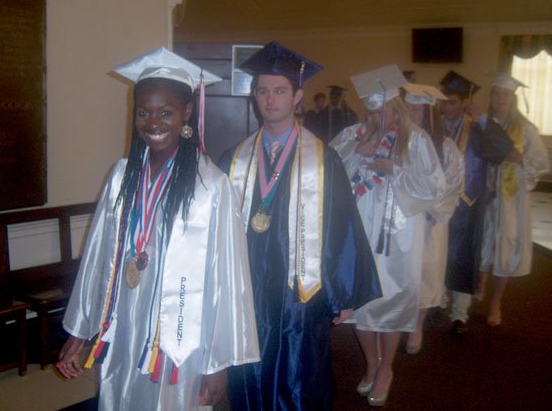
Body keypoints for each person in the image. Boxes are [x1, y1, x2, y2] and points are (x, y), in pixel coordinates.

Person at [55, 47, 260, 411]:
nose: (153, 123)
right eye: (143, 112)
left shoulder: (212, 187)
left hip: (181, 334)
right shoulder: (122, 176)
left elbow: (228, 280)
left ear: (187, 111)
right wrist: (80, 329)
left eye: (165, 112)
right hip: (126, 326)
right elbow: (98, 258)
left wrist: (219, 363)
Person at [219, 41, 381, 410]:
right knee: (248, 370)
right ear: (254, 97)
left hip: (300, 292)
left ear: (297, 96)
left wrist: (343, 293)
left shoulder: (324, 160)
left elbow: (341, 227)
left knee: (299, 374)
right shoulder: (234, 158)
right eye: (262, 91)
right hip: (249, 289)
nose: (270, 99)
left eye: (279, 91)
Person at [330, 64, 446, 407]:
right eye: (371, 108)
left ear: (395, 106)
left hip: (398, 236)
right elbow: (329, 170)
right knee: (362, 302)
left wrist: (394, 169)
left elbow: (434, 185)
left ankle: (386, 369)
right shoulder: (353, 135)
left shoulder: (416, 139)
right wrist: (356, 156)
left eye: (382, 108)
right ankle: (371, 363)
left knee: (392, 299)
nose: (376, 115)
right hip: (360, 230)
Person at [476, 73, 549, 326]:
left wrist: (519, 159)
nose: (500, 98)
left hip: (511, 199)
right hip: (485, 195)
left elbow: (541, 164)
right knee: (482, 242)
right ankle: (480, 284)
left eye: (505, 94)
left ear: (513, 98)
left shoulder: (526, 129)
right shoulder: (482, 123)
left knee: (506, 246)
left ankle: (496, 301)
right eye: (496, 93)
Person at [403, 83, 464, 352]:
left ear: (428, 113)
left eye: (416, 110)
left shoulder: (446, 147)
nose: (411, 114)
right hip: (403, 220)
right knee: (402, 272)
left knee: (427, 271)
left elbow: (453, 184)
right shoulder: (398, 141)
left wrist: (426, 207)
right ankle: (399, 318)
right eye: (407, 108)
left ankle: (417, 324)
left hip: (429, 219)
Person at [438, 70, 490, 335]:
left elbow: (498, 149)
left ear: (465, 103)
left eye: (453, 102)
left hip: (468, 201)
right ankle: (440, 300)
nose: (447, 107)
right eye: (444, 101)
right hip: (439, 203)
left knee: (463, 258)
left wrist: (481, 116)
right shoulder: (433, 128)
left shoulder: (477, 128)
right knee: (440, 252)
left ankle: (459, 313)